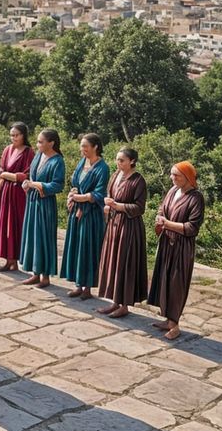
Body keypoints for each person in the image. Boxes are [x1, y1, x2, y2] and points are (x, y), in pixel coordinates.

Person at [148, 161, 203, 341]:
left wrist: (168, 224)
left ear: (188, 178)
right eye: (171, 174)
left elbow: (192, 228)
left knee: (176, 284)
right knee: (164, 280)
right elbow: (162, 209)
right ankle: (167, 319)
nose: (172, 178)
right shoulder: (172, 191)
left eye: (176, 175)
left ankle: (175, 325)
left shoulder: (196, 198)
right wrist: (159, 218)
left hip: (181, 248)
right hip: (166, 244)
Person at [96, 147, 148, 319]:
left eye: (122, 160)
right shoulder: (115, 175)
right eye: (117, 159)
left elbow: (140, 207)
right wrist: (107, 205)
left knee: (124, 262)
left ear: (132, 161)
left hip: (129, 227)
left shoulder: (138, 180)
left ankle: (124, 305)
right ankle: (115, 302)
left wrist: (119, 206)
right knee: (113, 261)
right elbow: (110, 195)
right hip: (113, 224)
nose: (118, 163)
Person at [61, 133, 110, 300]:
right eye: (81, 146)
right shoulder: (82, 162)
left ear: (95, 147)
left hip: (91, 215)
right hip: (77, 211)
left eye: (85, 146)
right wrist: (72, 194)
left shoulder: (103, 167)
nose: (82, 150)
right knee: (76, 246)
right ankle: (77, 284)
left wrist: (81, 198)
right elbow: (75, 183)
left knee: (87, 249)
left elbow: (100, 193)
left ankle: (88, 286)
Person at [19, 129, 66, 287]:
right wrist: (28, 183)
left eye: (41, 142)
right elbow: (31, 176)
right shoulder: (38, 155)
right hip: (32, 201)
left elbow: (58, 185)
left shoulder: (57, 160)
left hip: (45, 204)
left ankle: (45, 276)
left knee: (44, 237)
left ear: (51, 143)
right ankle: (35, 272)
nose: (38, 144)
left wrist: (38, 185)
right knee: (32, 236)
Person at [0, 123, 34, 273]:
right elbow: (0, 166)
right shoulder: (8, 149)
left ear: (23, 136)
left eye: (17, 135)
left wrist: (7, 175)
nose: (13, 138)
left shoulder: (28, 152)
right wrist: (2, 172)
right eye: (12, 135)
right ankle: (8, 260)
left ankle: (16, 259)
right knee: (4, 224)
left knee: (16, 225)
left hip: (18, 194)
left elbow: (27, 175)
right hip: (4, 191)